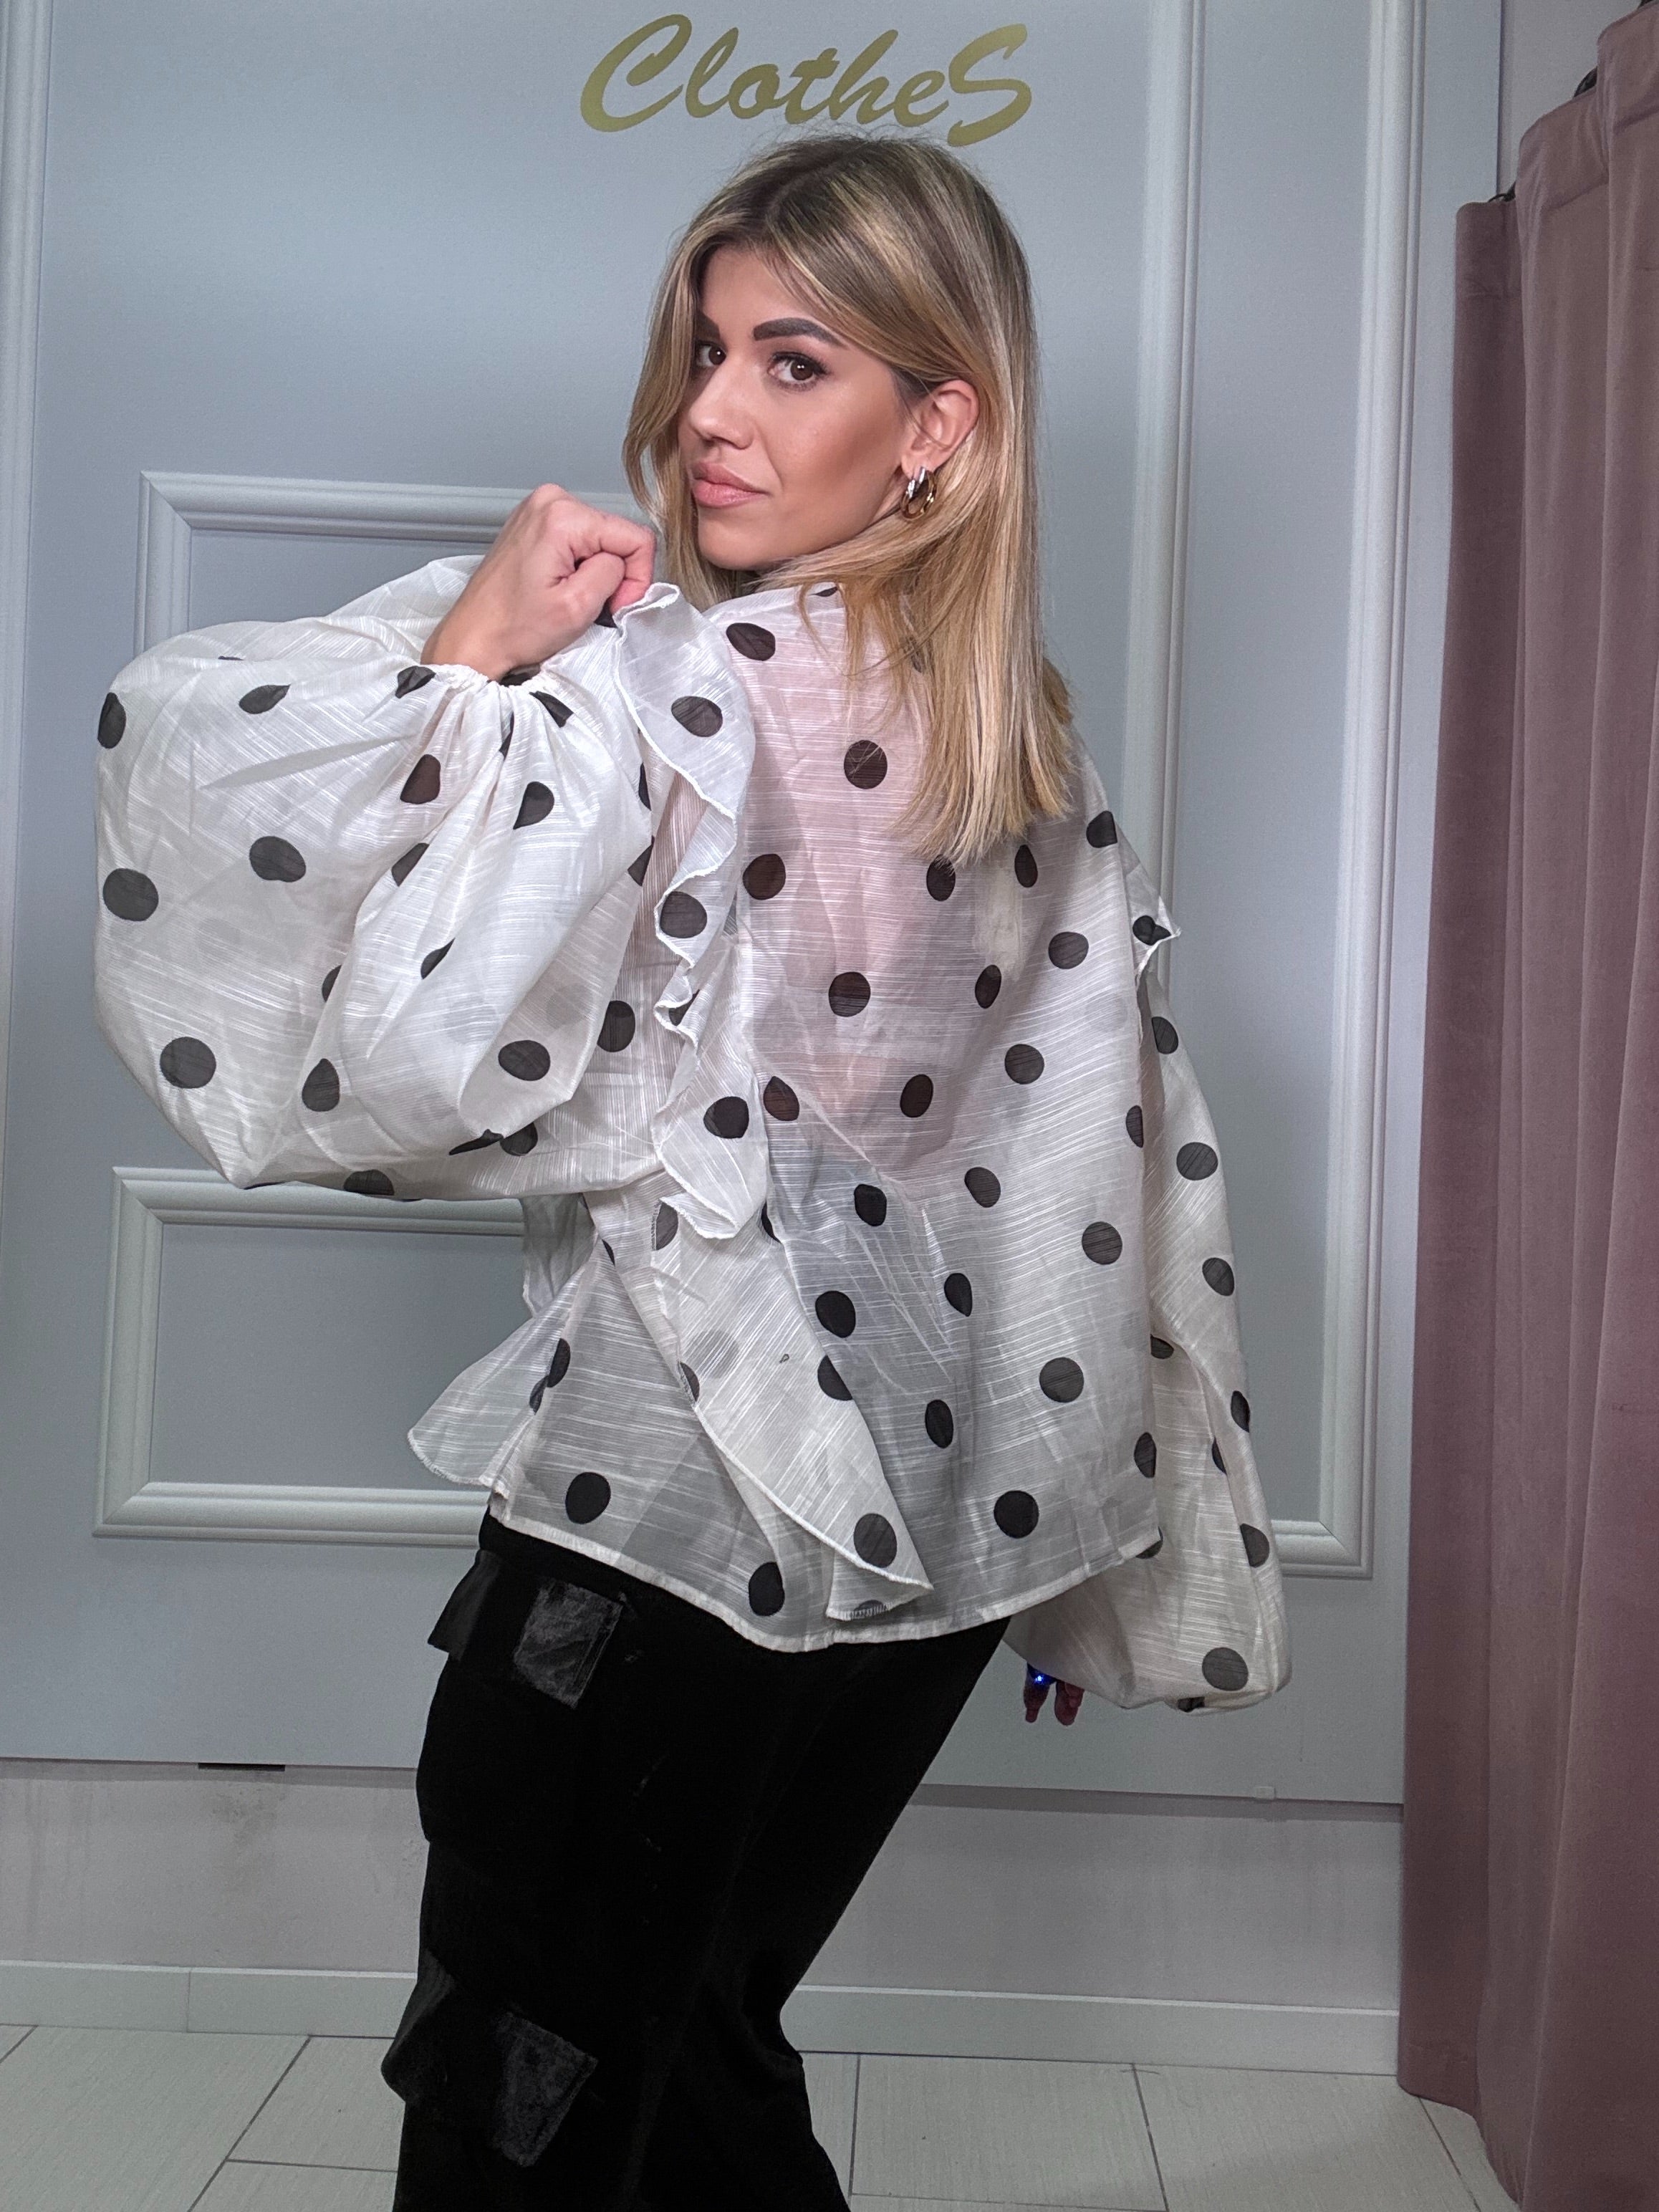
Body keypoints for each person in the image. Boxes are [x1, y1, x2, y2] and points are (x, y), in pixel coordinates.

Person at [92, 130, 1283, 2208]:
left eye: (793, 362)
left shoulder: (666, 699)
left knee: (529, 2086)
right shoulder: (1025, 738)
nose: (714, 410)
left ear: (939, 426)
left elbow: (379, 1037)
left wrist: (470, 651)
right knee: (703, 2045)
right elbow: (1100, 1167)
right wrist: (1070, 1541)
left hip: (670, 1529)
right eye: (710, 349)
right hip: (935, 1541)